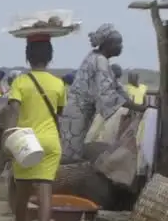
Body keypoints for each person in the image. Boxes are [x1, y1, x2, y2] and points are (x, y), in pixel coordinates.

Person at [4, 35, 65, 221]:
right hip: (51, 141)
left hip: (26, 142)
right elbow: (59, 115)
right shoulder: (58, 83)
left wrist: (7, 138)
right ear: (50, 57)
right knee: (45, 193)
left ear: (27, 56)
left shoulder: (20, 82)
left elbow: (13, 112)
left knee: (22, 194)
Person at [57, 24, 149, 163]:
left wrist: (135, 104)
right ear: (108, 44)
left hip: (77, 112)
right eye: (118, 43)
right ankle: (60, 182)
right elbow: (108, 94)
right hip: (77, 114)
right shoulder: (100, 62)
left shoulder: (96, 57)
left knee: (73, 150)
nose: (121, 47)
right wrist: (138, 108)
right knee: (71, 154)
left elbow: (116, 86)